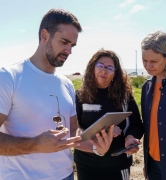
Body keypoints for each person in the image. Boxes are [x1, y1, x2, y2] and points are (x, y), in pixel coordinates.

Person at [0, 8, 114, 180]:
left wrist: (96, 148)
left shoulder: (66, 84)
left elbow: (73, 134)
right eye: (64, 42)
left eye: (72, 45)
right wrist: (34, 145)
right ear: (44, 36)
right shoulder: (9, 77)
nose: (69, 51)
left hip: (65, 175)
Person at [74, 49, 144, 180]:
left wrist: (130, 137)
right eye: (100, 65)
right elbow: (75, 128)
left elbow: (136, 124)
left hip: (117, 164)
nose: (104, 71)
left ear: (115, 74)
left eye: (110, 68)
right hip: (86, 164)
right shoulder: (79, 96)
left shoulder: (124, 97)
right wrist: (104, 131)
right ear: (92, 67)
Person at [141, 30, 166, 180]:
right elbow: (148, 127)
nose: (147, 66)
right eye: (144, 60)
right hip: (153, 165)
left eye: (154, 61)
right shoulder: (146, 87)